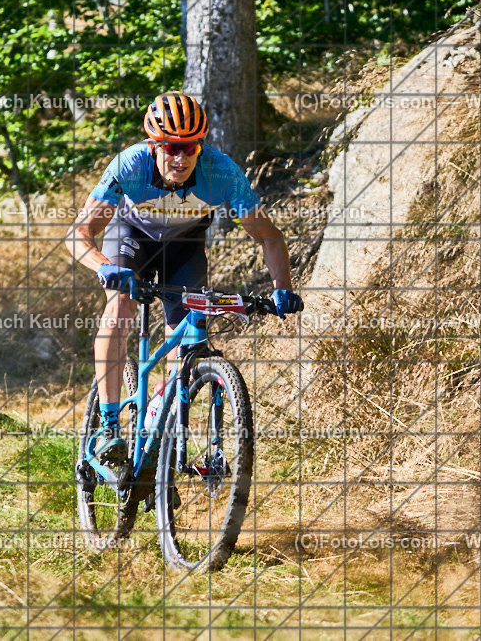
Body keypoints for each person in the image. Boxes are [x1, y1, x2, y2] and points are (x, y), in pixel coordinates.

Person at [65, 90, 303, 463]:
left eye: (189, 148)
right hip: (131, 238)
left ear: (201, 145)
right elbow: (79, 234)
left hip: (185, 244)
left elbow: (268, 235)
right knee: (120, 310)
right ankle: (109, 427)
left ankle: (159, 439)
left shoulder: (220, 171)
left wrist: (282, 289)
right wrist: (105, 267)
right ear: (153, 144)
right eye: (170, 147)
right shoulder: (129, 165)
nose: (179, 157)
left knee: (188, 340)